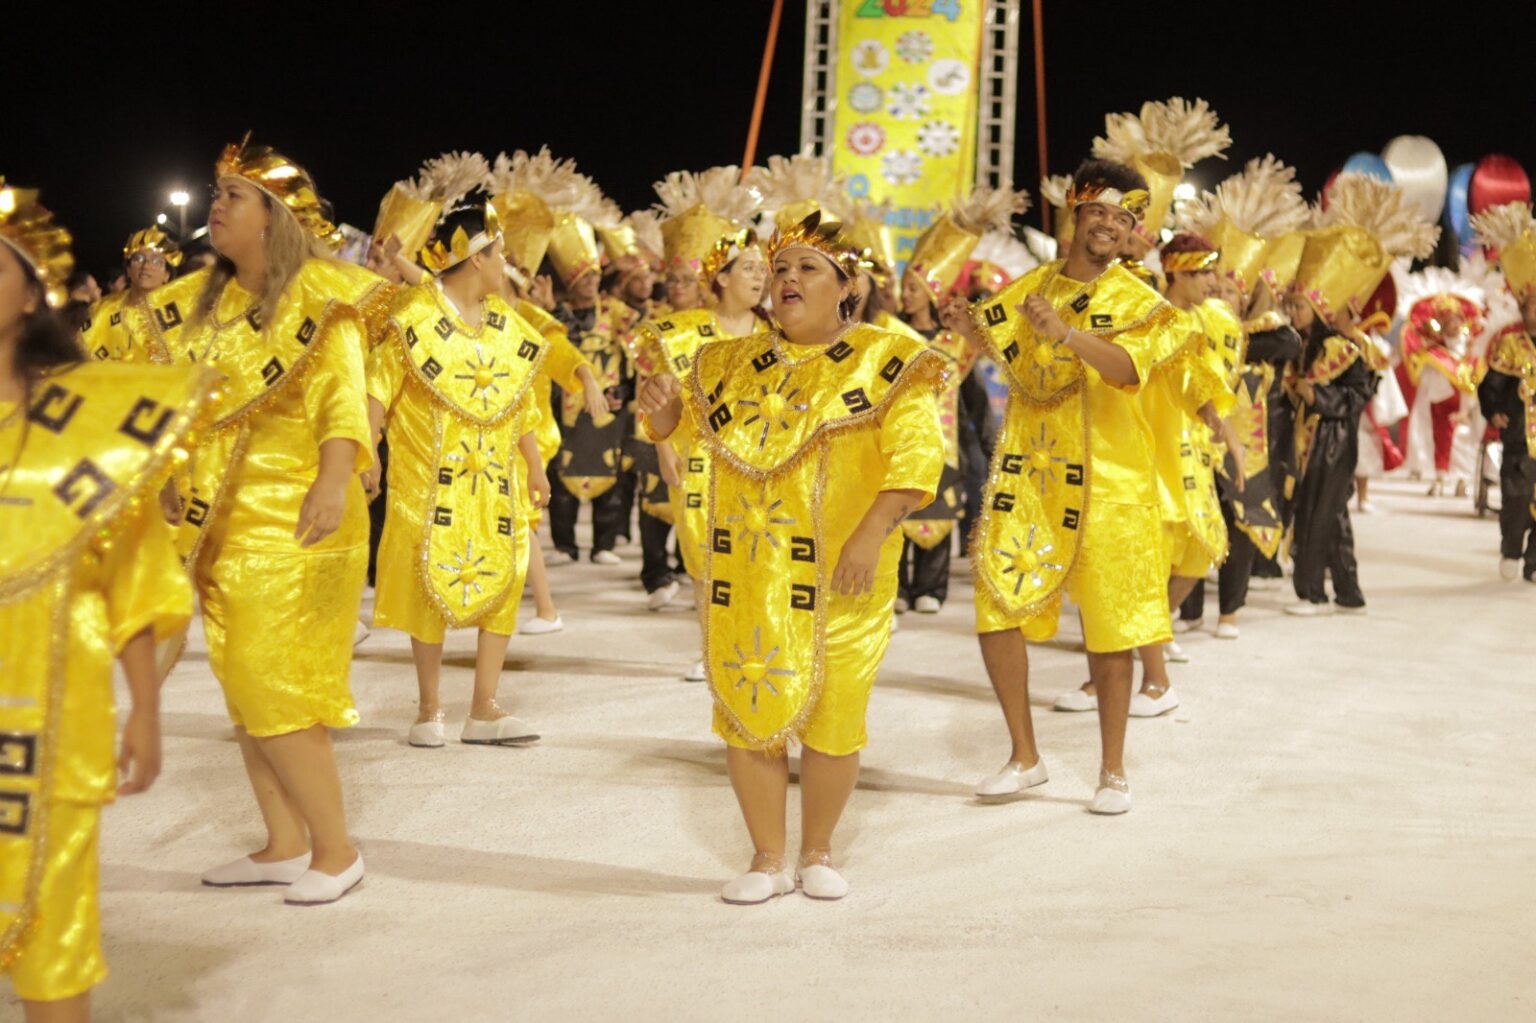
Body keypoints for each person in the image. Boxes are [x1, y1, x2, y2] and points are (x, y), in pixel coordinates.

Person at [637, 209, 944, 903]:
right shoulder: (723, 362)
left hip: (844, 575)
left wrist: (869, 536)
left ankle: (818, 850)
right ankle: (766, 858)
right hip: (749, 572)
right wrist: (658, 409)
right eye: (779, 268)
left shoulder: (889, 359)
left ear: (847, 285)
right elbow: (679, 432)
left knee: (835, 716)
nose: (787, 279)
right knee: (748, 707)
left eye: (807, 267)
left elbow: (919, 461)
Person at [125, 134, 373, 904]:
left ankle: (337, 850)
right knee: (244, 691)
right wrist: (166, 476)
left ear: (274, 217)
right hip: (220, 529)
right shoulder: (209, 304)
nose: (216, 205)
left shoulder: (321, 301)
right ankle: (284, 842)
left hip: (301, 522)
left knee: (278, 688)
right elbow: (178, 409)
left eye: (233, 194)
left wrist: (334, 479)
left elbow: (342, 401)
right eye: (216, 191)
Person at [0, 181, 216, 1023]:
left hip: (59, 719)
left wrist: (147, 711)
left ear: (33, 291)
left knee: (55, 940)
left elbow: (134, 573)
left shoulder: (90, 423)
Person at [941, 158, 1190, 814]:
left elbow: (1129, 371)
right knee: (994, 606)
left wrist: (1068, 333)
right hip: (1029, 474)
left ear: (1135, 229)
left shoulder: (1144, 303)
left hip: (1111, 479)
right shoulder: (1027, 288)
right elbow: (998, 357)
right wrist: (964, 331)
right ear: (1076, 214)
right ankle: (1025, 756)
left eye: (1123, 216)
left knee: (1109, 626)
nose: (1109, 224)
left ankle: (1112, 770)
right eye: (1099, 211)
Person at [364, 197, 552, 747]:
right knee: (428, 582)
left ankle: (485, 708)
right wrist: (369, 446)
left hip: (497, 479)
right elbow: (378, 387)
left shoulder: (505, 323)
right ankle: (429, 711)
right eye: (500, 255)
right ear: (476, 258)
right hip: (428, 481)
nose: (507, 265)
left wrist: (535, 466)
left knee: (507, 574)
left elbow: (522, 405)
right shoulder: (413, 319)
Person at [1053, 233, 1238, 718]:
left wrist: (1223, 429)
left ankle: (1142, 675)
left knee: (1174, 564)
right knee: (1122, 574)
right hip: (1125, 459)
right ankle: (1125, 678)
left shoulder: (1178, 321)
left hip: (1167, 460)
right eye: (1200, 272)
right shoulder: (1130, 312)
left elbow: (1192, 380)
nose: (1209, 282)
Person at [634, 166, 768, 674]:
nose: (760, 278)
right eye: (749, 269)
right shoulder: (679, 332)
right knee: (702, 552)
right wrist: (663, 449)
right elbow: (657, 398)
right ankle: (712, 648)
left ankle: (752, 640)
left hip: (759, 461)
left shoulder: (775, 334)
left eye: (762, 271)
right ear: (722, 276)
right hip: (696, 459)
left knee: (756, 552)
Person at [892, 186, 1024, 613]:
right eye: (905, 286)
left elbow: (974, 399)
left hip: (946, 445)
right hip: (897, 443)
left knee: (941, 506)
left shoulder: (955, 344)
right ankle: (895, 586)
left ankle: (931, 587)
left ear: (931, 292)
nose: (907, 294)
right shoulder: (889, 336)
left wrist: (990, 446)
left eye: (914, 287)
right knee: (894, 509)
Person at [545, 193, 638, 565]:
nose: (590, 282)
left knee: (609, 468)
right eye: (584, 276)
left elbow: (637, 350)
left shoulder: (616, 312)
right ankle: (565, 545)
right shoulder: (557, 314)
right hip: (566, 403)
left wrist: (625, 390)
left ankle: (604, 544)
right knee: (562, 469)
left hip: (608, 402)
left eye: (595, 275)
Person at [1479, 296, 1536, 581]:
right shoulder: (1511, 344)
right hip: (1519, 436)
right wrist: (1494, 411)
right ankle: (1511, 549)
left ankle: (1534, 561)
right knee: (1516, 497)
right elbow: (1490, 386)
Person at [80, 226, 181, 362]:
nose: (146, 265)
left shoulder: (181, 312)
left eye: (157, 261)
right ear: (128, 270)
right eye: (138, 258)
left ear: (167, 275)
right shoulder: (102, 310)